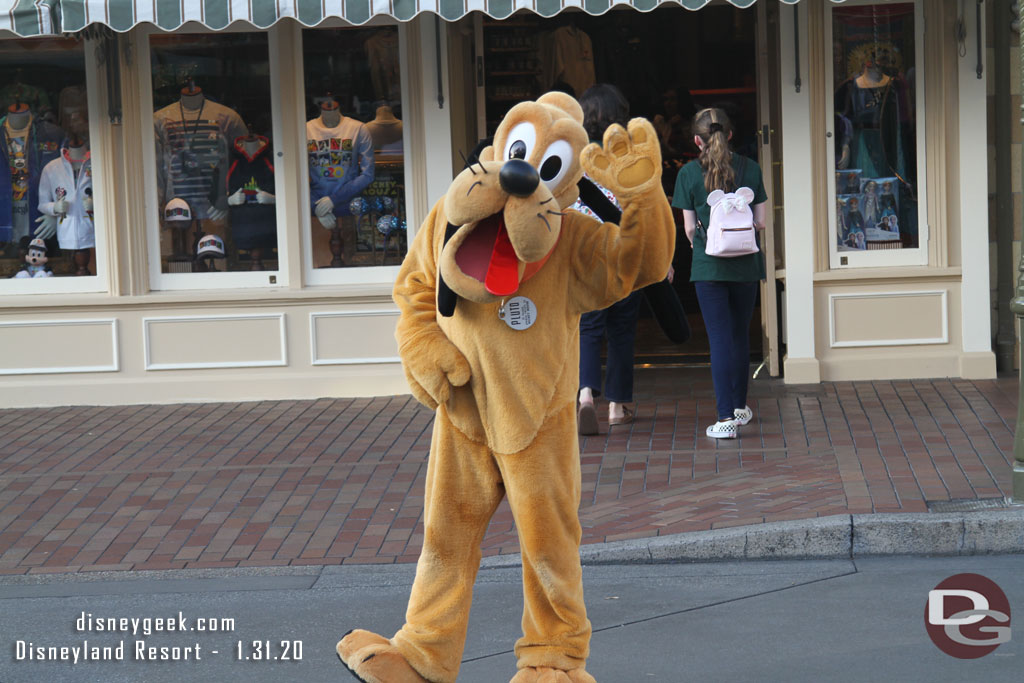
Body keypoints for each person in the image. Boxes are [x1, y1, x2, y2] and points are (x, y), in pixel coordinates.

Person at [575, 84, 672, 435]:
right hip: (625, 250)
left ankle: (585, 394)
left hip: (586, 251)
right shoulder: (629, 158)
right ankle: (617, 405)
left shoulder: (575, 159)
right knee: (621, 329)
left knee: (588, 326)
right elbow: (646, 208)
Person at [672, 108, 768, 439]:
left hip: (708, 266)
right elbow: (761, 222)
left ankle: (725, 418)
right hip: (746, 265)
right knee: (741, 336)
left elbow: (687, 229)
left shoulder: (687, 174)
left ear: (697, 140)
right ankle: (740, 409)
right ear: (730, 135)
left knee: (720, 340)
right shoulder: (751, 168)